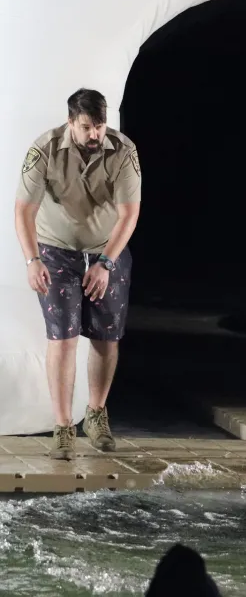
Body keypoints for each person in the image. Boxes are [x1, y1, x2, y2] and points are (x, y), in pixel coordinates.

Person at [13, 88, 141, 460]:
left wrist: (106, 263)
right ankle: (63, 426)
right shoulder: (45, 149)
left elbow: (129, 213)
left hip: (106, 247)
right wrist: (31, 260)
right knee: (63, 336)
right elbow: (23, 210)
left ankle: (96, 414)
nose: (94, 135)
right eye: (87, 127)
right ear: (71, 122)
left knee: (105, 334)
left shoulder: (124, 151)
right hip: (56, 247)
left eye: (100, 126)